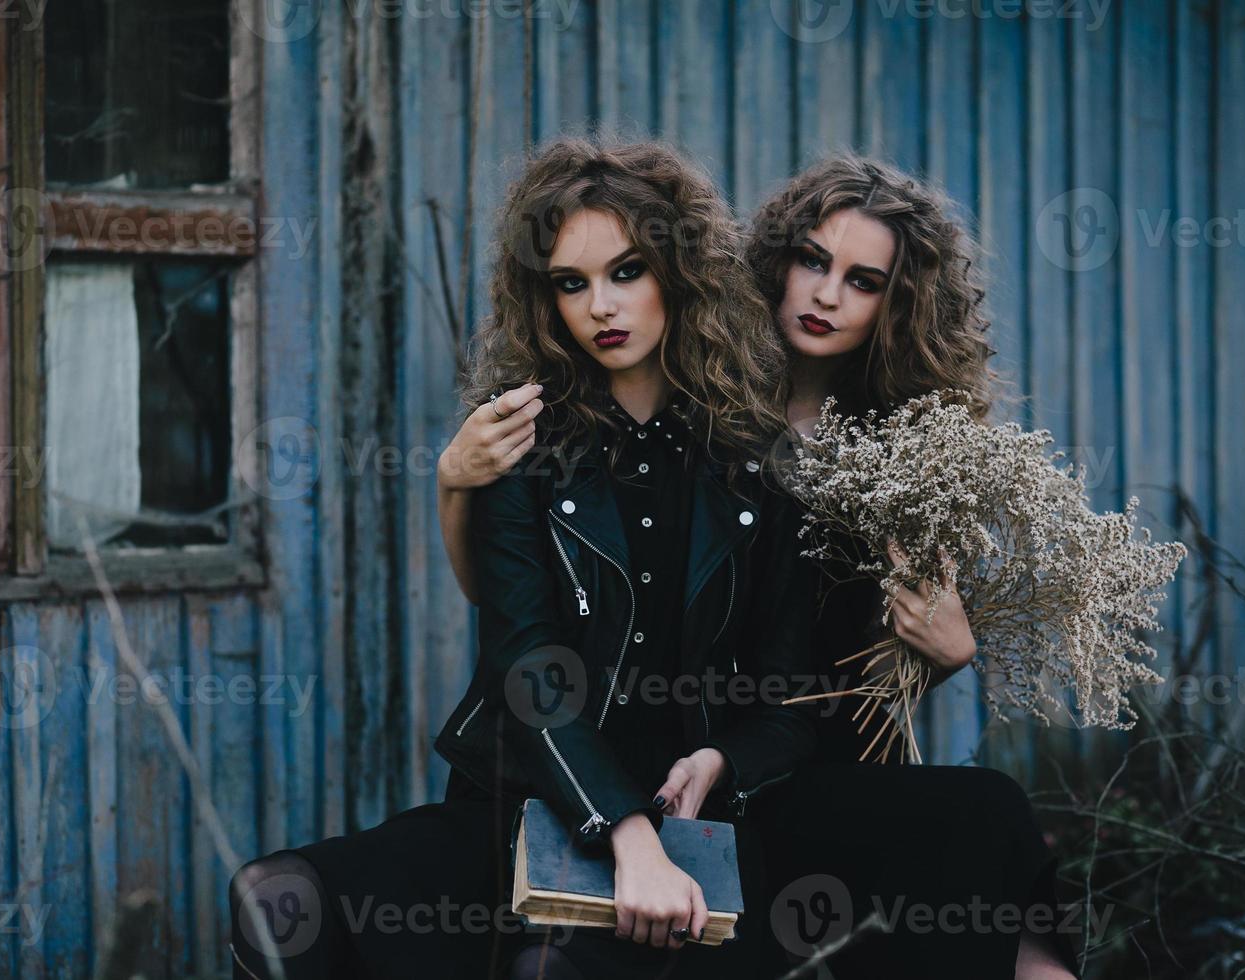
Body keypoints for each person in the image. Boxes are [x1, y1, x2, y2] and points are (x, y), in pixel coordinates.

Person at [436, 154, 1080, 979]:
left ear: (899, 304)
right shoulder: (695, 397)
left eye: (862, 280)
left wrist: (943, 660)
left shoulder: (904, 456)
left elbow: (849, 684)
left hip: (790, 749)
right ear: (771, 260)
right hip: (667, 743)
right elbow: (511, 615)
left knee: (986, 826)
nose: (825, 294)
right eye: (812, 261)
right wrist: (456, 483)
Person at [228, 137, 822, 980]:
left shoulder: (755, 460)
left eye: (626, 272)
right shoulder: (526, 443)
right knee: (278, 899)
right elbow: (527, 664)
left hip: (690, 822)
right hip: (532, 791)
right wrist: (622, 833)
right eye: (571, 283)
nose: (600, 307)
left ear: (679, 275)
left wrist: (717, 765)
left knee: (551, 969)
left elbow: (789, 700)